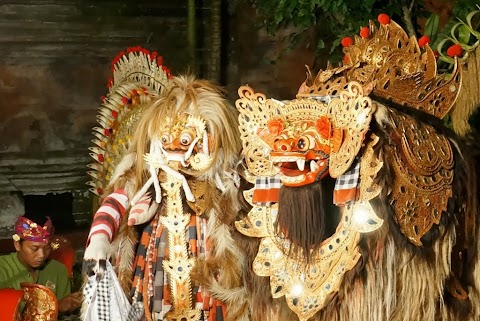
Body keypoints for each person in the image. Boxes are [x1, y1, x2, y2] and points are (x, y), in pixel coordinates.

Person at [0, 213, 82, 314]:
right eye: (35, 248)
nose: (42, 255)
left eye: (47, 247)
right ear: (17, 244)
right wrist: (55, 307)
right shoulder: (2, 268)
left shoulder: (58, 270)